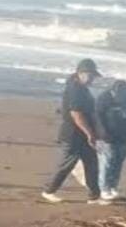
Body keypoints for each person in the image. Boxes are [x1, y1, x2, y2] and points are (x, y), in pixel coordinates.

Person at [42, 59, 102, 204]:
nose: (92, 79)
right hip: (72, 134)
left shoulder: (82, 89)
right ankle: (49, 191)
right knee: (67, 164)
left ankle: (94, 196)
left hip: (82, 135)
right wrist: (90, 134)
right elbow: (77, 115)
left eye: (93, 76)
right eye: (90, 75)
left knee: (92, 164)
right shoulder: (75, 90)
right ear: (80, 73)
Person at [96, 79, 126, 202]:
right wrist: (102, 133)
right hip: (107, 136)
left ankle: (113, 187)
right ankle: (104, 189)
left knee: (119, 162)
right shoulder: (104, 97)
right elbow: (97, 116)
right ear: (112, 91)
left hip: (124, 135)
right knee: (107, 162)